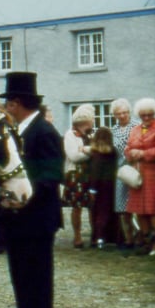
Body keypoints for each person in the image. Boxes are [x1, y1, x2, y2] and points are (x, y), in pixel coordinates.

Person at [0, 71, 63, 308]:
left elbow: (50, 179)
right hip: (19, 221)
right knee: (22, 282)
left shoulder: (44, 133)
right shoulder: (19, 132)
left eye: (9, 102)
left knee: (37, 283)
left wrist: (22, 200)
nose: (7, 108)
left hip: (36, 221)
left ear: (16, 103)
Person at [124, 98, 155, 256]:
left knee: (154, 209)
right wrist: (131, 153)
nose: (146, 118)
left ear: (154, 113)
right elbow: (128, 148)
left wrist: (143, 153)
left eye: (149, 115)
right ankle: (145, 240)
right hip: (137, 174)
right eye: (143, 115)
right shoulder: (135, 129)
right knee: (140, 209)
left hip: (154, 173)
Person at [62, 104, 95, 249]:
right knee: (77, 206)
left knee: (92, 205)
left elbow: (98, 150)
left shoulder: (91, 134)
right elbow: (74, 156)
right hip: (75, 174)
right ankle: (77, 235)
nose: (89, 124)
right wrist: (90, 153)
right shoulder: (70, 135)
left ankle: (95, 234)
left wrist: (87, 149)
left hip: (91, 173)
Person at [110, 98, 140, 249]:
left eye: (125, 112)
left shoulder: (137, 126)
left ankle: (142, 236)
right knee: (122, 207)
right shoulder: (113, 130)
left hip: (135, 169)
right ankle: (128, 239)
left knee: (138, 205)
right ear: (114, 115)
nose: (122, 116)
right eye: (118, 113)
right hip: (120, 171)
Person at [88, 127, 117, 250]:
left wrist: (92, 189)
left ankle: (98, 238)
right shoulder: (113, 152)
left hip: (99, 185)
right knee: (110, 210)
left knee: (99, 212)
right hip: (111, 184)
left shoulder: (96, 154)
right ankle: (112, 237)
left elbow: (95, 172)